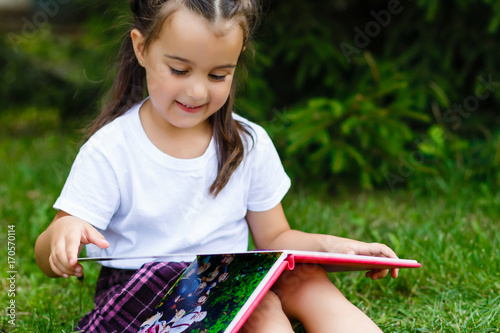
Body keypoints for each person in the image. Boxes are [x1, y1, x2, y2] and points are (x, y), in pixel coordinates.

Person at [34, 0, 400, 332]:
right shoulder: (111, 150)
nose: (197, 92)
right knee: (261, 309)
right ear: (141, 48)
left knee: (304, 277)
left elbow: (275, 239)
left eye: (217, 75)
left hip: (226, 275)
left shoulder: (247, 141)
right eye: (179, 70)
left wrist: (342, 248)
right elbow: (44, 254)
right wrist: (64, 232)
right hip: (148, 290)